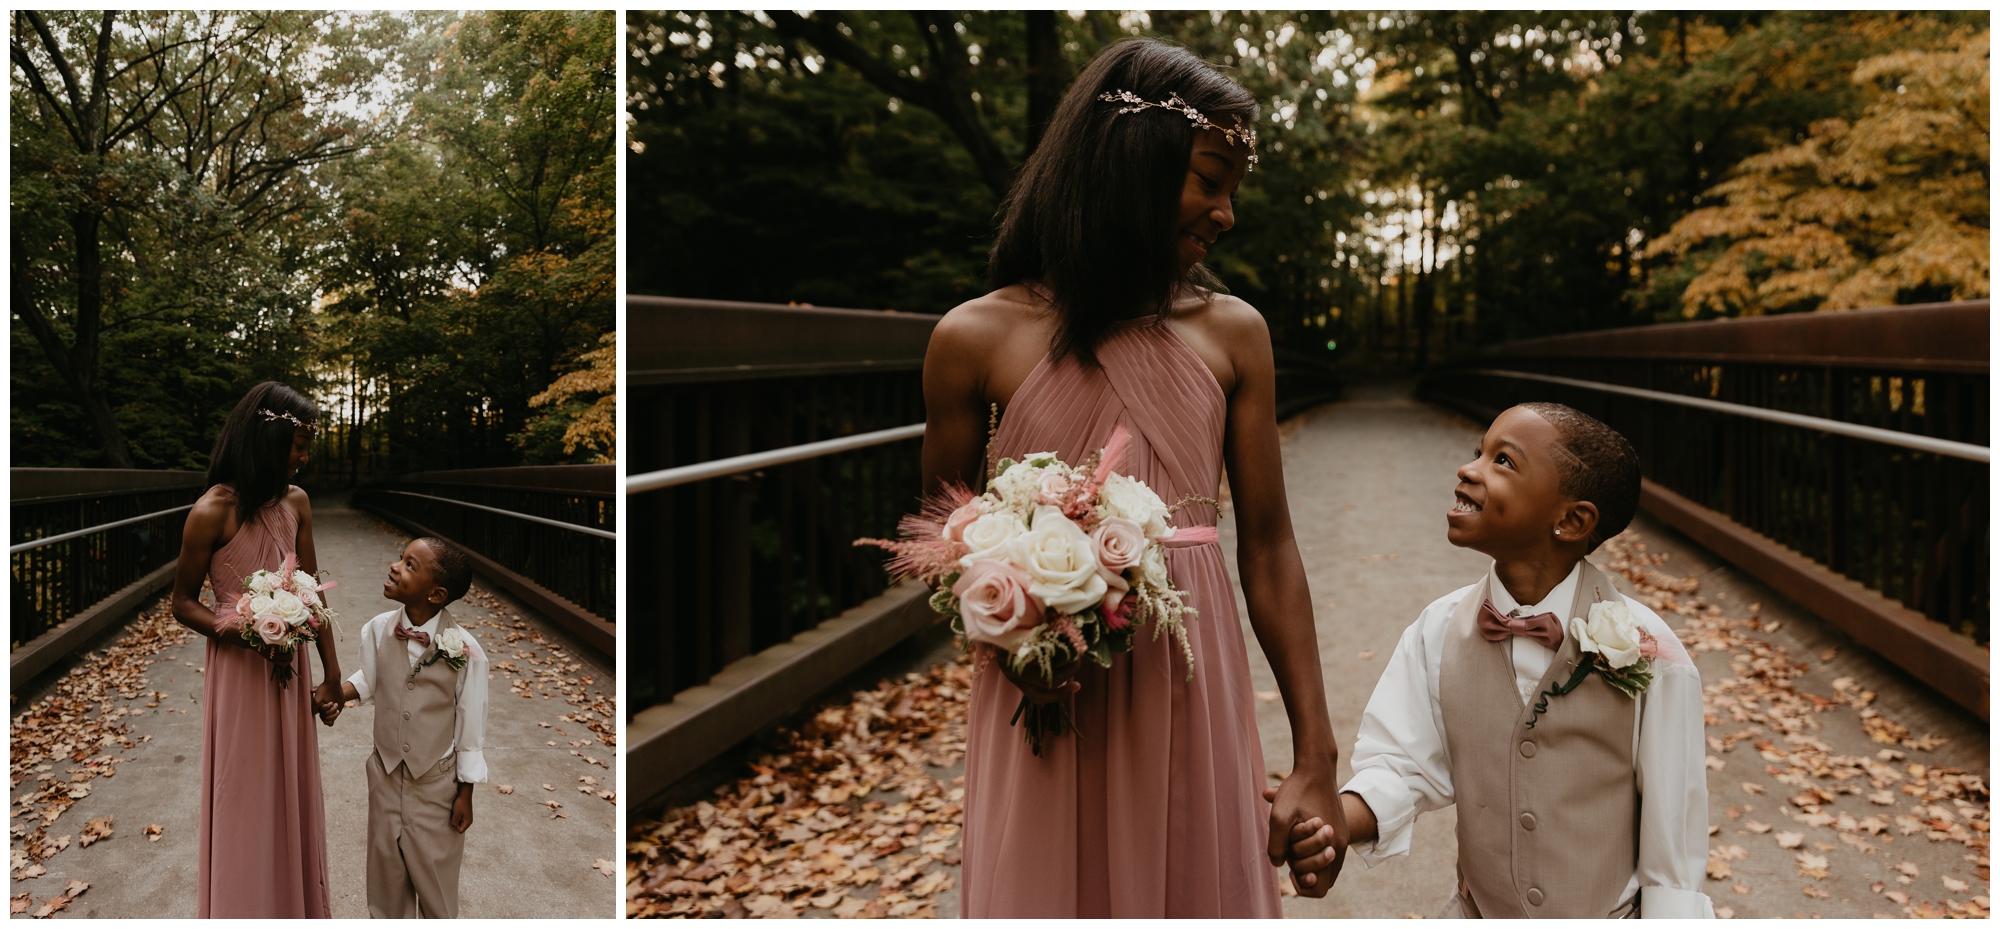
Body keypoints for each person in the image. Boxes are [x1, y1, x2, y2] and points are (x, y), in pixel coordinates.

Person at [922, 37, 1344, 917]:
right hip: (1042, 692)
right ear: (1132, 166)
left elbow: (1267, 546)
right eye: (1209, 179)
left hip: (1186, 676)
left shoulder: (1234, 334)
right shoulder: (973, 337)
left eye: (1235, 189)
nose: (1226, 213)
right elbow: (940, 546)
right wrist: (1010, 637)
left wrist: (1316, 756)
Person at [1281, 402, 1711, 918]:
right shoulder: (1438, 631)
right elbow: (1401, 767)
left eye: (1502, 462)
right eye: (1477, 452)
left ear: (1572, 520)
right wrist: (1333, 824)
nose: (1469, 469)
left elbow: (1674, 848)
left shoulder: (1653, 652)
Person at [171, 381, 342, 918]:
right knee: (243, 793)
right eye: (298, 445)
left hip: (292, 665)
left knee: (291, 791)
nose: (304, 457)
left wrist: (331, 675)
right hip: (240, 672)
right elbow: (181, 602)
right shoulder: (211, 511)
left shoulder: (297, 503)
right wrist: (239, 628)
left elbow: (312, 592)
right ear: (269, 439)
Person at [318, 537, 489, 918]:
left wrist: (466, 792)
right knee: (385, 885)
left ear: (437, 593)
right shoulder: (378, 629)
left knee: (436, 886)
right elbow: (371, 679)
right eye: (400, 558)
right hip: (385, 773)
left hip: (436, 786)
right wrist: (337, 697)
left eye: (411, 565)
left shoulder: (466, 650)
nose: (395, 566)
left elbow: (470, 724)